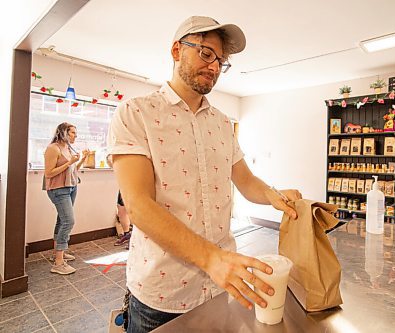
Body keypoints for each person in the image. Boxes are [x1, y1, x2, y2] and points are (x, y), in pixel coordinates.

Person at [107, 16, 302, 332]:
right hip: (163, 294)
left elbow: (247, 181)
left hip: (219, 288)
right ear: (176, 50)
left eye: (221, 61)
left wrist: (274, 196)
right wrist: (213, 259)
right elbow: (139, 206)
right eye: (206, 53)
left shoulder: (223, 124)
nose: (214, 67)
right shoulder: (136, 113)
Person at [44, 122, 89, 274]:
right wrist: (70, 162)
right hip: (58, 189)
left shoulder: (68, 148)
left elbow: (72, 169)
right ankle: (58, 263)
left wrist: (81, 160)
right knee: (69, 221)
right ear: (64, 133)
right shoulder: (53, 148)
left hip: (70, 187)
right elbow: (49, 173)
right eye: (73, 133)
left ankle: (59, 253)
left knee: (62, 220)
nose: (75, 136)